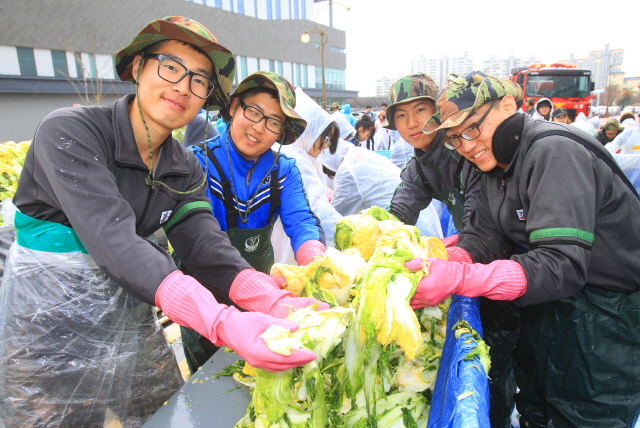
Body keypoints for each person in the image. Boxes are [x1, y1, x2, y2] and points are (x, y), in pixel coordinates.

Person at [0, 17, 326, 427]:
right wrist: (221, 321)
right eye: (170, 67)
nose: (182, 87)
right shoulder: (70, 131)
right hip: (48, 328)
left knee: (164, 412)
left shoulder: (183, 166)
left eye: (199, 80)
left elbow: (202, 243)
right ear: (138, 67)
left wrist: (270, 299)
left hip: (130, 315)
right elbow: (113, 238)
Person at [416, 70, 640, 428]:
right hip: (549, 306)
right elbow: (485, 236)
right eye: (455, 138)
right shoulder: (493, 163)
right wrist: (449, 259)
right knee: (536, 408)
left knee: (584, 417)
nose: (468, 145)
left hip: (605, 318)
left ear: (508, 105)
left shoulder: (554, 150)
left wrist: (464, 277)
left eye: (472, 128)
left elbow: (561, 263)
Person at [181, 71, 328, 373]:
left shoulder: (283, 171)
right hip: (203, 299)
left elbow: (301, 220)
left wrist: (316, 263)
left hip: (261, 294)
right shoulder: (196, 163)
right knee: (211, 378)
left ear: (281, 132)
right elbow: (198, 236)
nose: (258, 128)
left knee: (259, 374)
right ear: (234, 107)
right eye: (254, 112)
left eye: (273, 122)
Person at [385, 73, 481, 233]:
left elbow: (482, 223)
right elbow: (398, 214)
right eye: (401, 115)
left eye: (420, 110)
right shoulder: (418, 169)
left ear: (439, 111)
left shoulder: (468, 150)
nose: (411, 123)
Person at [323, 140, 442, 238]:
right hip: (417, 220)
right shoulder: (361, 155)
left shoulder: (348, 170)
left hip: (407, 226)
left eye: (331, 175)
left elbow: (335, 220)